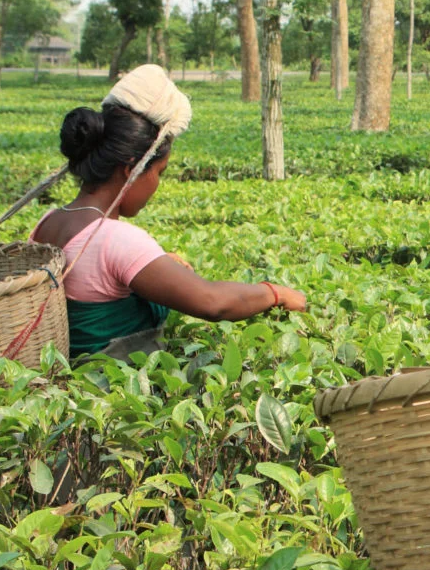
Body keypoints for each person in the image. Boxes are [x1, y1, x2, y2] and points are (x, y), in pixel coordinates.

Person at [31, 65, 307, 358]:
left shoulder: (48, 222)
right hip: (114, 390)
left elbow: (97, 282)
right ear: (131, 169)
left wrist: (159, 265)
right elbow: (212, 302)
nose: (157, 184)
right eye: (159, 172)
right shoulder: (115, 239)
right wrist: (275, 293)